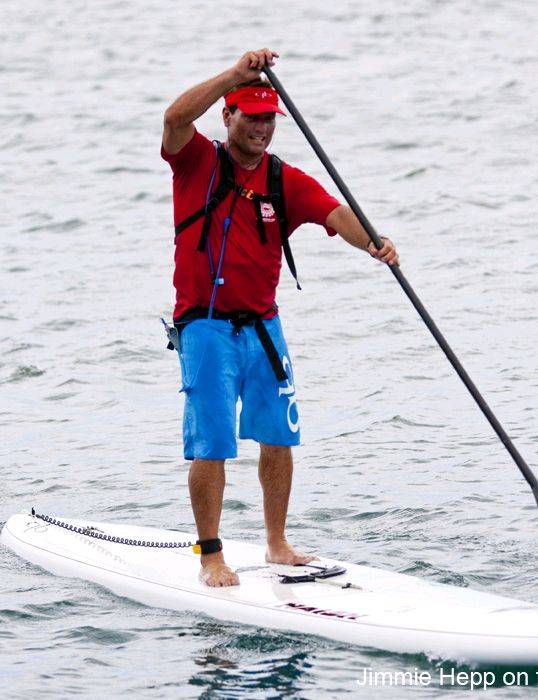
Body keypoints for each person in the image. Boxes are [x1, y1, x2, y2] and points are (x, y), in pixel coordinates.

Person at [161, 48, 399, 587]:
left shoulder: (282, 179)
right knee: (213, 443)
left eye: (269, 118)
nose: (262, 128)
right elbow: (174, 118)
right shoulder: (196, 161)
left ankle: (277, 543)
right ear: (228, 116)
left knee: (279, 436)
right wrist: (233, 75)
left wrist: (373, 242)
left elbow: (335, 212)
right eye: (252, 117)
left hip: (264, 328)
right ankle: (211, 556)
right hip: (205, 326)